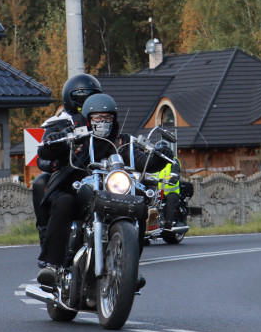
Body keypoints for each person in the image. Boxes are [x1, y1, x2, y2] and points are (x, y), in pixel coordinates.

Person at [35, 92, 165, 289]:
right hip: (79, 193)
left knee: (138, 207)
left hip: (113, 194)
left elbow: (143, 160)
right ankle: (52, 266)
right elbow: (47, 151)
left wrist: (161, 156)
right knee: (64, 202)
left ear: (114, 119)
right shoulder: (77, 139)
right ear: (88, 119)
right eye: (97, 118)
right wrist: (55, 140)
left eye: (107, 118)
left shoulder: (123, 143)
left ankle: (131, 268)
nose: (102, 122)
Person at [31, 73, 101, 269]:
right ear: (70, 99)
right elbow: (42, 156)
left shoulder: (103, 123)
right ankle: (47, 241)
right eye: (81, 97)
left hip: (99, 178)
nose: (86, 101)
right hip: (70, 179)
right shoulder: (58, 123)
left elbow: (122, 145)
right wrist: (56, 158)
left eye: (91, 96)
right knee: (43, 186)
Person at [151, 139, 181, 228]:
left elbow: (175, 170)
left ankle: (168, 222)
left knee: (170, 201)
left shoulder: (173, 161)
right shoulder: (153, 163)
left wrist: (173, 177)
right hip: (157, 192)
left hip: (172, 192)